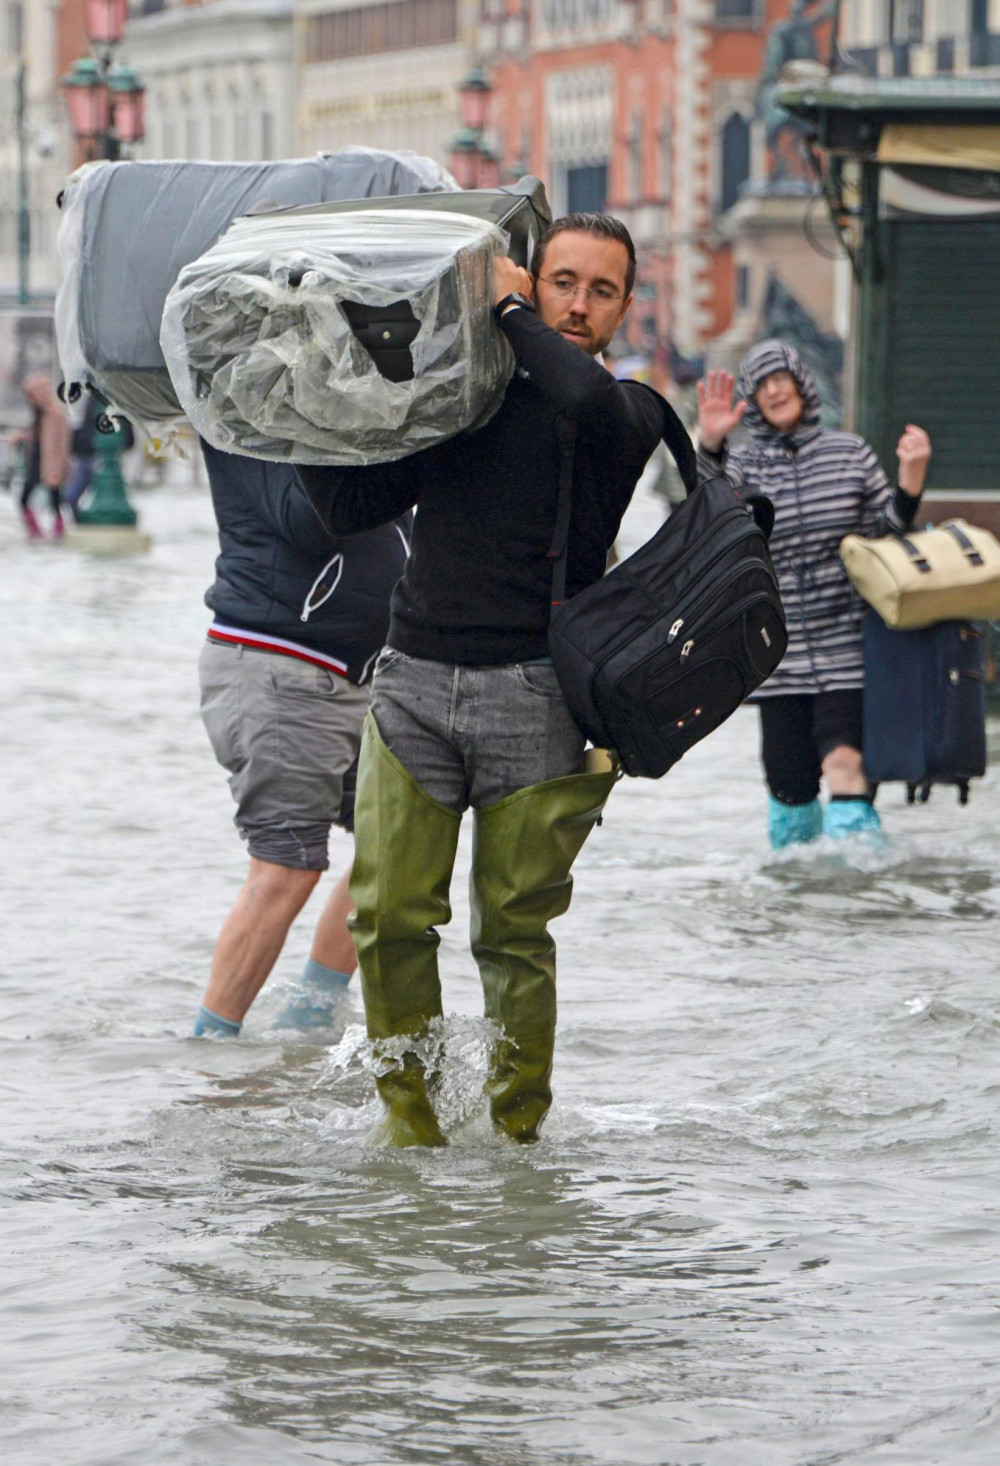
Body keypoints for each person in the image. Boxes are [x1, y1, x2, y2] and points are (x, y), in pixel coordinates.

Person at [297, 212, 668, 1147]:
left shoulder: (626, 413)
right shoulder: (466, 395)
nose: (578, 305)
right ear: (535, 281)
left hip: (538, 698)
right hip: (413, 683)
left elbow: (579, 396)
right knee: (386, 918)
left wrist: (505, 308)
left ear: (626, 307)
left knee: (513, 936)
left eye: (601, 291)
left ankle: (517, 1138)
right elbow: (350, 505)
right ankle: (411, 1131)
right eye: (562, 283)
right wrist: (300, 401)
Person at [193, 441, 410, 1038]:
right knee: (286, 865)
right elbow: (307, 521)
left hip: (361, 673)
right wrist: (383, 443)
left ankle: (309, 1022)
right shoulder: (247, 413)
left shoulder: (366, 428)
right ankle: (212, 1053)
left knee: (400, 842)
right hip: (280, 663)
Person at [696, 340, 931, 849]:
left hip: (848, 643)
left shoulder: (850, 452)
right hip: (776, 651)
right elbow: (708, 515)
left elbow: (886, 533)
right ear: (753, 401)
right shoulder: (745, 464)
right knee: (789, 788)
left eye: (781, 378)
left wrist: (910, 486)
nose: (774, 390)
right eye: (762, 385)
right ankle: (797, 889)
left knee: (846, 763)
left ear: (802, 383)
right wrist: (711, 447)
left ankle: (861, 880)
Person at [11, 374, 71, 539]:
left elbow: (61, 443)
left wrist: (58, 468)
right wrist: (22, 438)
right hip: (37, 461)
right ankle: (37, 531)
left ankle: (55, 530)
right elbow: (36, 436)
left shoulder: (55, 414)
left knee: (54, 499)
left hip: (50, 463)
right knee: (32, 498)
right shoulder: (40, 413)